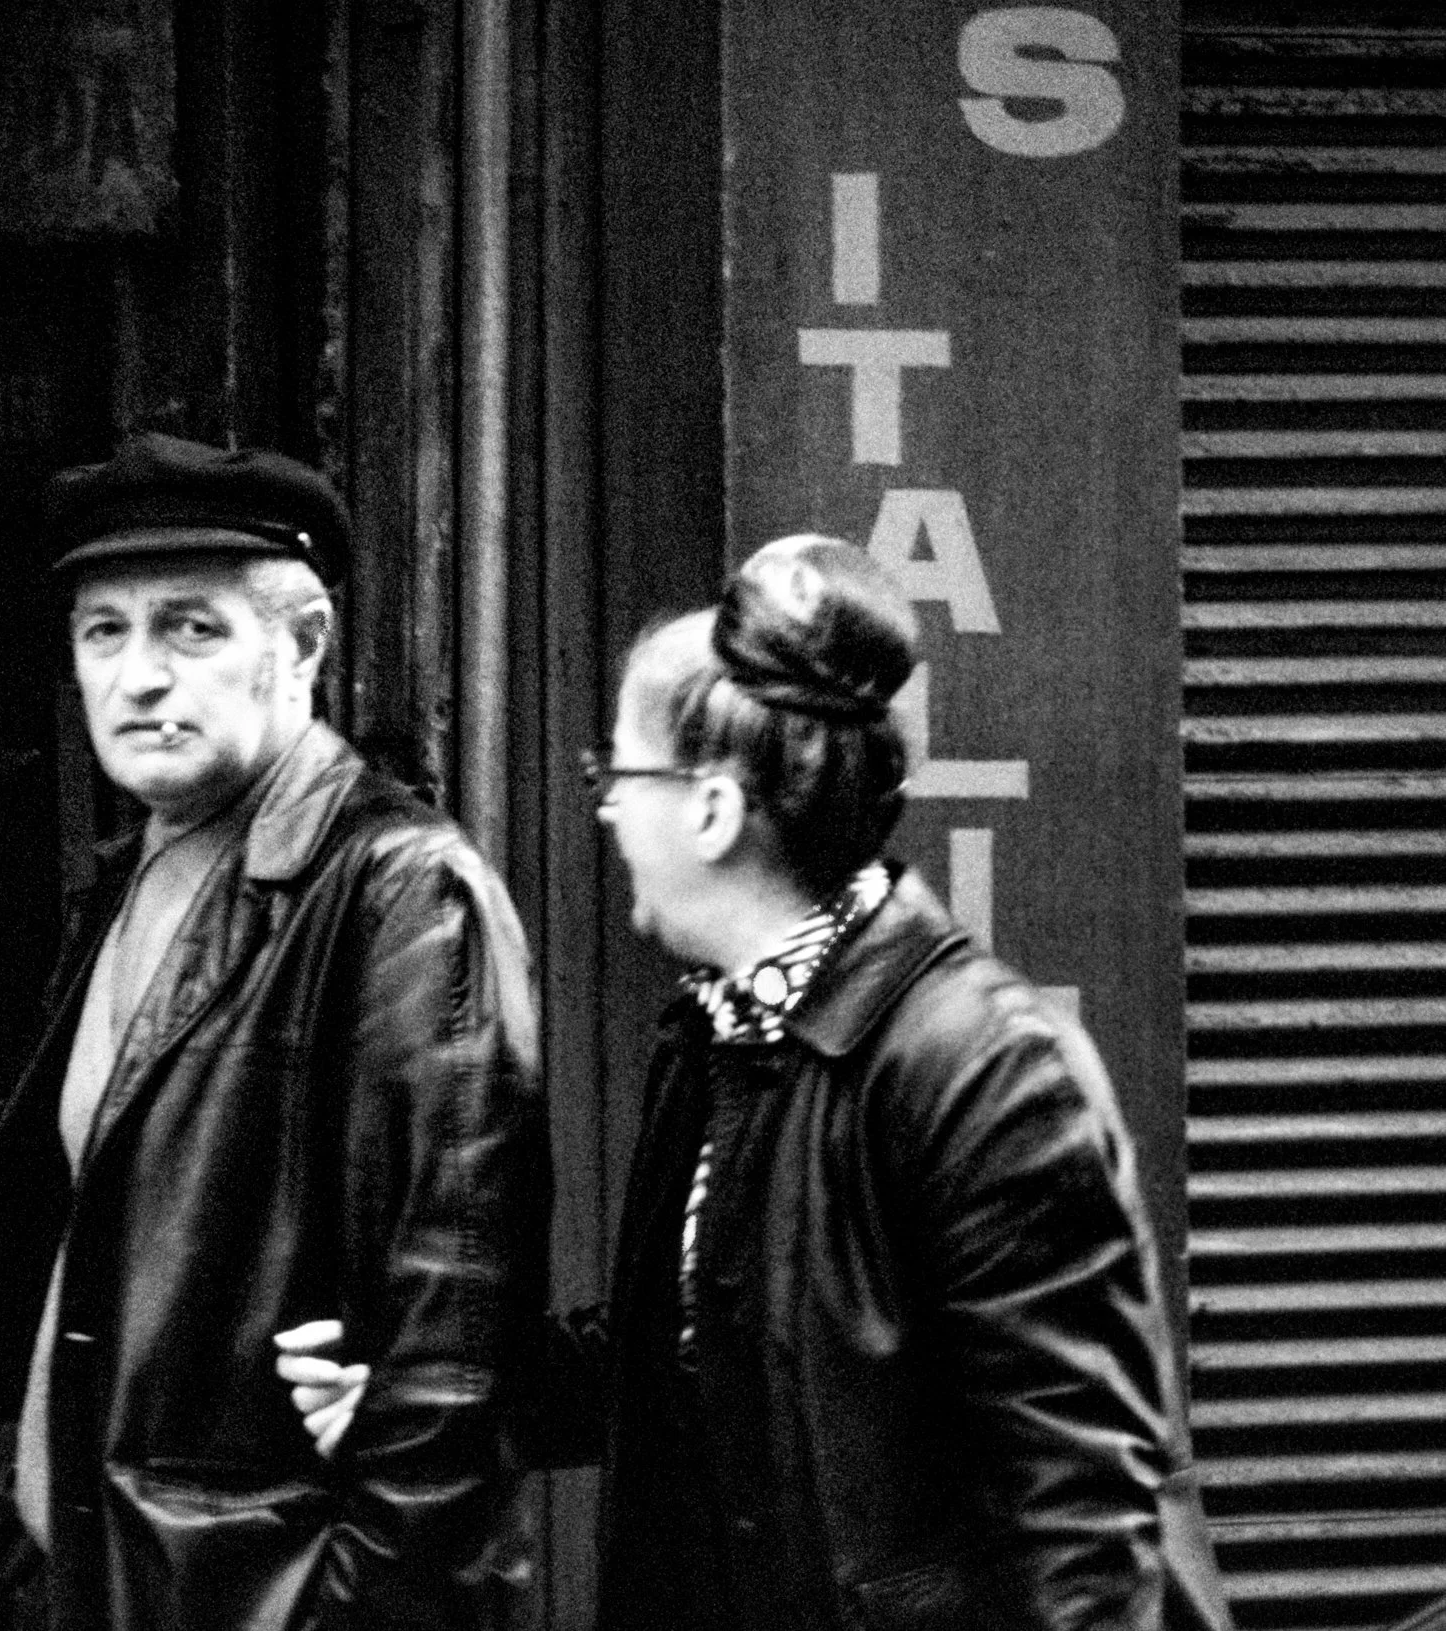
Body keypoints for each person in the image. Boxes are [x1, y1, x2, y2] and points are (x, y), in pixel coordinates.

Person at [280, 535, 1228, 1630]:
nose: (604, 811)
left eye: (618, 776)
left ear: (714, 809)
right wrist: (413, 1394)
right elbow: (679, 1351)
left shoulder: (986, 1068)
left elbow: (1089, 1521)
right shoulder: (717, 1035)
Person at [0, 433, 552, 1631]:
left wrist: (351, 1611)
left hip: (252, 1591)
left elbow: (452, 1349)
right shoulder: (137, 872)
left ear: (304, 645)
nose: (139, 677)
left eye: (192, 628)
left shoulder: (399, 892)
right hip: (85, 1572)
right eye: (103, 631)